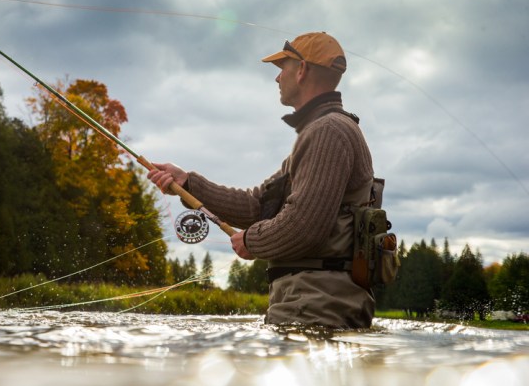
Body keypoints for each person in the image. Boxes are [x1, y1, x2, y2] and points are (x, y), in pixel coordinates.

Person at [148, 32, 375, 328]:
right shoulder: (321, 131)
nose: (278, 78)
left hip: (315, 308)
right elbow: (259, 206)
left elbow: (305, 227)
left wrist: (252, 241)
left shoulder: (328, 132)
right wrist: (189, 182)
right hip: (310, 304)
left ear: (302, 70)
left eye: (283, 68)